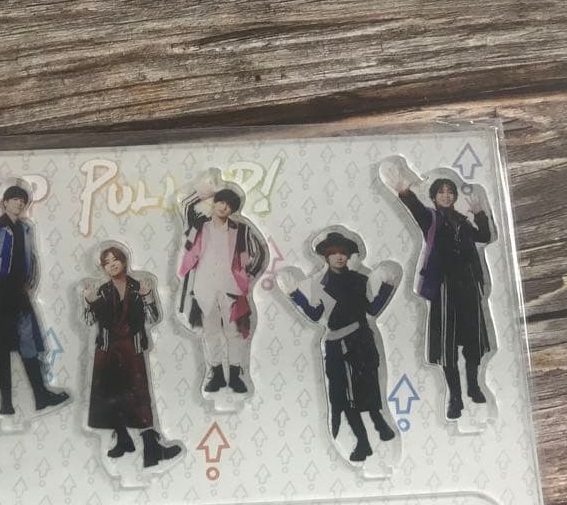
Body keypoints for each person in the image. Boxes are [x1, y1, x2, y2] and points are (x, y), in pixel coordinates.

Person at [390, 173, 494, 419]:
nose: (446, 195)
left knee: (473, 340)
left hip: (469, 285)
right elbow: (416, 210)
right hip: (444, 287)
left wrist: (480, 213)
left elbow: (485, 237)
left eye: (450, 192)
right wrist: (404, 191)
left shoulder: (463, 222)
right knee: (447, 344)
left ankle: (474, 386)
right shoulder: (431, 218)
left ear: (455, 197)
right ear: (434, 197)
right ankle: (455, 397)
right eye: (441, 192)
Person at [286, 232, 397, 462]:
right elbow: (315, 314)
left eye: (342, 253)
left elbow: (372, 310)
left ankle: (379, 422)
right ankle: (363, 442)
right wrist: (295, 294)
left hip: (361, 340)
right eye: (333, 253)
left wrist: (387, 287)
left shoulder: (359, 280)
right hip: (336, 344)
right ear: (326, 257)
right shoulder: (319, 284)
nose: (338, 257)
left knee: (368, 385)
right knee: (343, 396)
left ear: (348, 256)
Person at [0, 183, 69, 415]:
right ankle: (6, 402)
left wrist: (30, 282)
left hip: (19, 292)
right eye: (15, 199)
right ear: (5, 202)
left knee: (28, 343)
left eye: (23, 201)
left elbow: (32, 258)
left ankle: (41, 395)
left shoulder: (26, 228)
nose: (19, 203)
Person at [83, 246, 181, 469]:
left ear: (124, 261)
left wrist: (147, 297)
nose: (112, 265)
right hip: (107, 350)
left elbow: (154, 318)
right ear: (103, 268)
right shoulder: (102, 291)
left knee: (139, 396)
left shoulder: (138, 287)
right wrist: (89, 301)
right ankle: (123, 439)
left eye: (115, 260)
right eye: (107, 262)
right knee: (111, 396)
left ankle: (151, 449)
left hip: (131, 347)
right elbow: (88, 322)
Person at [177, 182, 267, 394]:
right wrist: (206, 191)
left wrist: (248, 277)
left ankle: (235, 376)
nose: (223, 207)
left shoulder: (241, 229)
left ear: (233, 210)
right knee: (210, 332)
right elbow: (186, 206)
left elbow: (261, 254)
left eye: (229, 205)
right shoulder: (200, 225)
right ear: (214, 202)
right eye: (220, 201)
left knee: (234, 332)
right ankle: (216, 374)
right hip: (203, 287)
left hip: (231, 288)